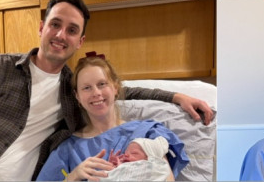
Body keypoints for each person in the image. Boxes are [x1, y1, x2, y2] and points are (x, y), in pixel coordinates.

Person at [0, 0, 213, 181]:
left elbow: (120, 90)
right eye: (55, 25)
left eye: (72, 30)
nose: (61, 35)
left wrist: (176, 96)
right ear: (41, 27)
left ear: (80, 41)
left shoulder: (72, 91)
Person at [36, 57, 187, 181]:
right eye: (86, 88)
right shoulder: (67, 150)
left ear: (115, 88)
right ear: (77, 97)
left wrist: (177, 97)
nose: (96, 93)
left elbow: (165, 177)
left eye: (102, 84)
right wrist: (72, 177)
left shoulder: (146, 133)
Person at [102, 137, 174, 181]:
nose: (126, 155)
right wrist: (112, 166)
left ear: (149, 157)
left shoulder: (151, 168)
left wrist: (122, 169)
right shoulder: (126, 164)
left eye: (134, 153)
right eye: (126, 152)